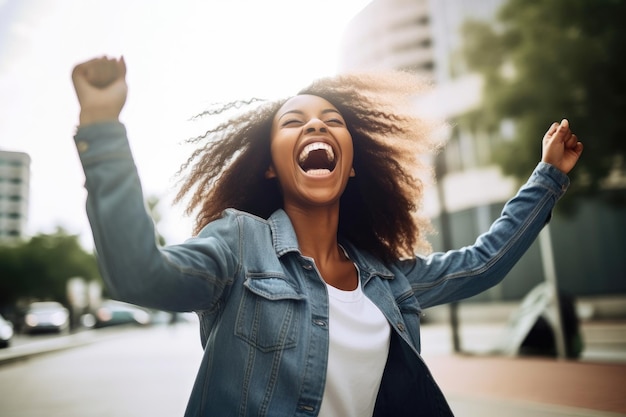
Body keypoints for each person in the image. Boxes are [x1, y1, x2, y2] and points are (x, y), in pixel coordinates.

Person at [71, 56, 583, 417]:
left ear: (352, 164)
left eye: (331, 121)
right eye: (293, 123)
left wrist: (548, 175)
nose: (315, 127)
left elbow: (482, 263)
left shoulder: (386, 278)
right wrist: (102, 125)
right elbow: (140, 274)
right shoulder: (239, 245)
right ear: (271, 167)